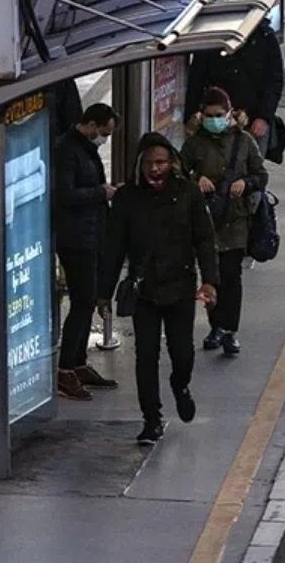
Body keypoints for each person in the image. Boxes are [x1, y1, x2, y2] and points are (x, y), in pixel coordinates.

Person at [98, 133, 219, 445]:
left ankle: (181, 385)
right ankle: (151, 418)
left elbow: (204, 240)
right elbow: (113, 247)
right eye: (150, 163)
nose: (155, 169)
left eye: (161, 162)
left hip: (180, 287)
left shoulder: (189, 193)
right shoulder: (126, 199)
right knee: (145, 357)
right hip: (145, 289)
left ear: (172, 163)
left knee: (182, 353)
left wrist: (210, 281)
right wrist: (104, 293)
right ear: (140, 164)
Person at [180, 87, 268, 356]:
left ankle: (230, 330)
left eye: (219, 115)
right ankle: (215, 326)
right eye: (209, 115)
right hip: (205, 220)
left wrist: (246, 182)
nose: (214, 120)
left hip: (235, 219)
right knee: (212, 276)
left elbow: (260, 175)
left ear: (229, 113)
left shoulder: (244, 142)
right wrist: (196, 180)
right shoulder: (195, 143)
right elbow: (180, 173)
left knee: (232, 276)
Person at [53, 103, 121, 400]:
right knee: (81, 303)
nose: (104, 139)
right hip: (75, 238)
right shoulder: (68, 150)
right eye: (103, 133)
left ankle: (78, 363)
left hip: (90, 234)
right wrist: (100, 192)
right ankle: (66, 368)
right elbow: (65, 193)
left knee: (87, 300)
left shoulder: (83, 148)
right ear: (91, 125)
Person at [186, 16, 284, 157]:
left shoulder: (264, 37)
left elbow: (274, 81)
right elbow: (196, 79)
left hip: (252, 119)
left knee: (250, 166)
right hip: (215, 118)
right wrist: (192, 115)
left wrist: (264, 116)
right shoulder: (212, 37)